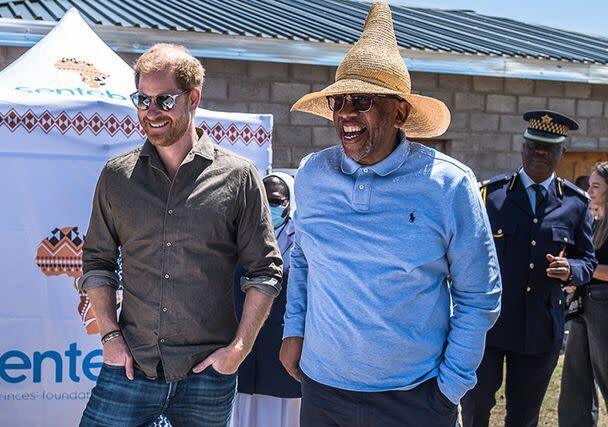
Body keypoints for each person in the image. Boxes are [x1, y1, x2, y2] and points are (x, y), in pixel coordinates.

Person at [279, 3, 502, 426]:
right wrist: (294, 331)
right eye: (338, 101)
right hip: (323, 391)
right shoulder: (312, 174)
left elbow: (480, 295)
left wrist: (449, 387)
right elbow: (305, 259)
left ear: (399, 112)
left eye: (361, 101)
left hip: (414, 398)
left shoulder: (448, 184)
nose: (346, 112)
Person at [77, 43, 283, 426]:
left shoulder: (238, 177)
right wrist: (110, 337)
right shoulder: (117, 177)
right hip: (130, 368)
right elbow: (97, 262)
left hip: (208, 375)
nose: (151, 112)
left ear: (194, 98)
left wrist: (238, 350)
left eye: (164, 100)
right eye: (142, 100)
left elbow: (265, 271)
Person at [462, 110, 597, 427]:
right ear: (521, 147)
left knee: (524, 416)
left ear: (562, 153)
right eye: (533, 145)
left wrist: (570, 269)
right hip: (490, 324)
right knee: (475, 407)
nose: (539, 152)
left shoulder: (574, 203)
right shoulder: (491, 196)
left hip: (540, 325)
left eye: (548, 148)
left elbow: (587, 261)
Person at [232, 172, 301, 427]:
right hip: (245, 350)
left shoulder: (303, 243)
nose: (267, 207)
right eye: (261, 199)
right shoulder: (238, 238)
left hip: (284, 349)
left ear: (289, 202)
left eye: (275, 201)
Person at [558, 162, 608, 426]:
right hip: (582, 306)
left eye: (596, 187)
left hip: (604, 308)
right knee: (575, 381)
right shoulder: (594, 222)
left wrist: (584, 271)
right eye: (589, 186)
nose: (589, 192)